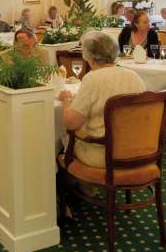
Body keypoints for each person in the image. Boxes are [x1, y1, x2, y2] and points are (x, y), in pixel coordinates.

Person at [57, 30, 145, 168]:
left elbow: (71, 124)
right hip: (137, 150)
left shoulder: (93, 78)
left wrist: (67, 100)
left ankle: (83, 185)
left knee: (64, 144)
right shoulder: (134, 76)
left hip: (105, 155)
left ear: (89, 57)